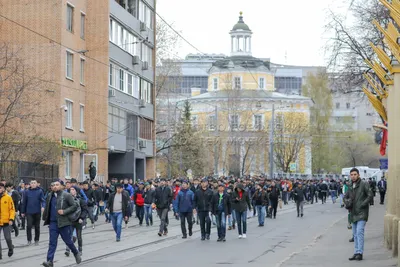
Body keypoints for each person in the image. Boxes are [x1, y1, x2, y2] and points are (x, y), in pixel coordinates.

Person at [42, 181, 81, 267]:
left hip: (64, 223)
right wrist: (44, 215)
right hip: (53, 223)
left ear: (61, 186)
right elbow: (47, 205)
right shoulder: (50, 195)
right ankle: (49, 261)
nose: (55, 186)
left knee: (68, 241)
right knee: (52, 242)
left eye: (57, 185)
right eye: (53, 185)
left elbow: (75, 206)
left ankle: (75, 252)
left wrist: (64, 211)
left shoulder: (66, 195)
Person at [345, 168, 373, 261]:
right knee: (355, 234)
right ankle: (356, 252)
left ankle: (360, 253)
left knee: (359, 232)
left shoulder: (364, 184)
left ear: (358, 175)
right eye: (351, 175)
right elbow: (345, 196)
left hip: (362, 212)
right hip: (353, 212)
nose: (353, 176)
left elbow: (370, 195)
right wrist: (347, 202)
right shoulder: (349, 185)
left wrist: (363, 204)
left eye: (355, 174)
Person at [65, 186, 88, 256]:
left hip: (78, 220)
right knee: (69, 236)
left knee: (79, 236)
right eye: (70, 189)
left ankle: (80, 249)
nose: (71, 191)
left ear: (76, 191)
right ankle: (68, 249)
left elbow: (84, 210)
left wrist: (82, 218)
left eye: (73, 189)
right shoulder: (67, 200)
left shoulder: (80, 200)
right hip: (70, 220)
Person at [21, 179, 45, 246]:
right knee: (29, 226)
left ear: (37, 184)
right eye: (32, 183)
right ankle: (29, 240)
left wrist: (43, 206)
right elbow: (24, 202)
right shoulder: (26, 192)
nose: (33, 184)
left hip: (37, 211)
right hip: (29, 212)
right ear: (30, 184)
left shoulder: (40, 191)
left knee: (37, 227)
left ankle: (36, 240)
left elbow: (43, 200)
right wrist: (23, 212)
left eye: (34, 183)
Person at [0, 183, 15, 260]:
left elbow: (12, 209)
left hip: (6, 221)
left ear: (4, 189)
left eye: (1, 188)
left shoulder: (8, 198)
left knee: (7, 238)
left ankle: (10, 248)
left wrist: (11, 219)